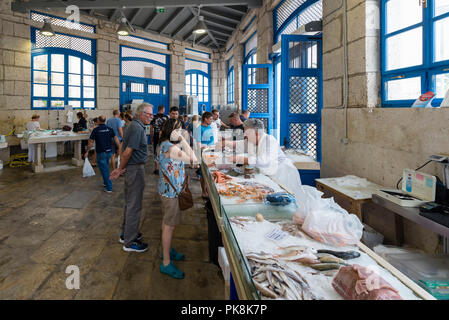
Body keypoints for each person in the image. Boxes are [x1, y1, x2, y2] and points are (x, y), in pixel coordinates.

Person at [110, 103, 154, 253]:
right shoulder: (136, 128)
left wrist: (121, 167)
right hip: (135, 169)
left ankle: (126, 233)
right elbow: (127, 151)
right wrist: (120, 168)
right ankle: (129, 242)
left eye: (151, 114)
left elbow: (122, 146)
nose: (151, 117)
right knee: (134, 205)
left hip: (131, 168)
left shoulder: (132, 125)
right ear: (140, 114)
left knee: (130, 203)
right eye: (148, 114)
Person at [158, 118, 198, 279]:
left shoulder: (165, 144)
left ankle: (166, 250)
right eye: (179, 130)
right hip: (171, 194)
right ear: (173, 131)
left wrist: (180, 139)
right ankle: (166, 262)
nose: (182, 133)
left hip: (166, 191)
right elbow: (194, 160)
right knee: (169, 226)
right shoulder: (170, 147)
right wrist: (183, 139)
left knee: (166, 223)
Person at [221, 119, 302, 196]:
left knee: (284, 200)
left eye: (247, 133)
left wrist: (240, 159)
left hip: (282, 174)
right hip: (270, 174)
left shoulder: (269, 140)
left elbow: (263, 161)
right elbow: (240, 144)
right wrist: (225, 143)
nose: (245, 135)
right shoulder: (252, 141)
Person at [84, 116, 120, 193]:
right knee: (105, 167)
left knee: (105, 170)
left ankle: (109, 187)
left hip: (101, 153)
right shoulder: (110, 129)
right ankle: (105, 182)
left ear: (98, 121)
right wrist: (119, 148)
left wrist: (87, 151)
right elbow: (116, 138)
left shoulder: (96, 130)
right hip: (109, 152)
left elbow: (90, 141)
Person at [193, 111, 214, 199]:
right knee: (203, 173)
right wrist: (203, 148)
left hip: (210, 151)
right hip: (203, 152)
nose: (212, 121)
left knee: (209, 172)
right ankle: (204, 191)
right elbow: (197, 142)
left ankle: (208, 189)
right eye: (210, 119)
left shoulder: (209, 126)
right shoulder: (199, 128)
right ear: (205, 119)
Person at [150, 105, 169, 175]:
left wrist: (151, 137)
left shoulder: (154, 117)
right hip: (164, 137)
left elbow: (151, 128)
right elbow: (168, 128)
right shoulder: (166, 117)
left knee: (156, 151)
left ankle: (156, 169)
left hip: (156, 136)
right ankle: (164, 168)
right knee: (165, 151)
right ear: (163, 109)